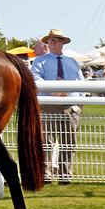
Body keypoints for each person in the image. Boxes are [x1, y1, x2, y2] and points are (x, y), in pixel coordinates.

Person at [30, 28, 84, 184]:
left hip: (70, 106)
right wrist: (53, 91)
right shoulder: (40, 61)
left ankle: (65, 176)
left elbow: (81, 83)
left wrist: (80, 103)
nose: (52, 42)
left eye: (56, 39)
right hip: (49, 105)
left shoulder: (72, 62)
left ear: (62, 42)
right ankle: (45, 175)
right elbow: (36, 79)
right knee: (46, 142)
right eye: (50, 40)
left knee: (69, 142)